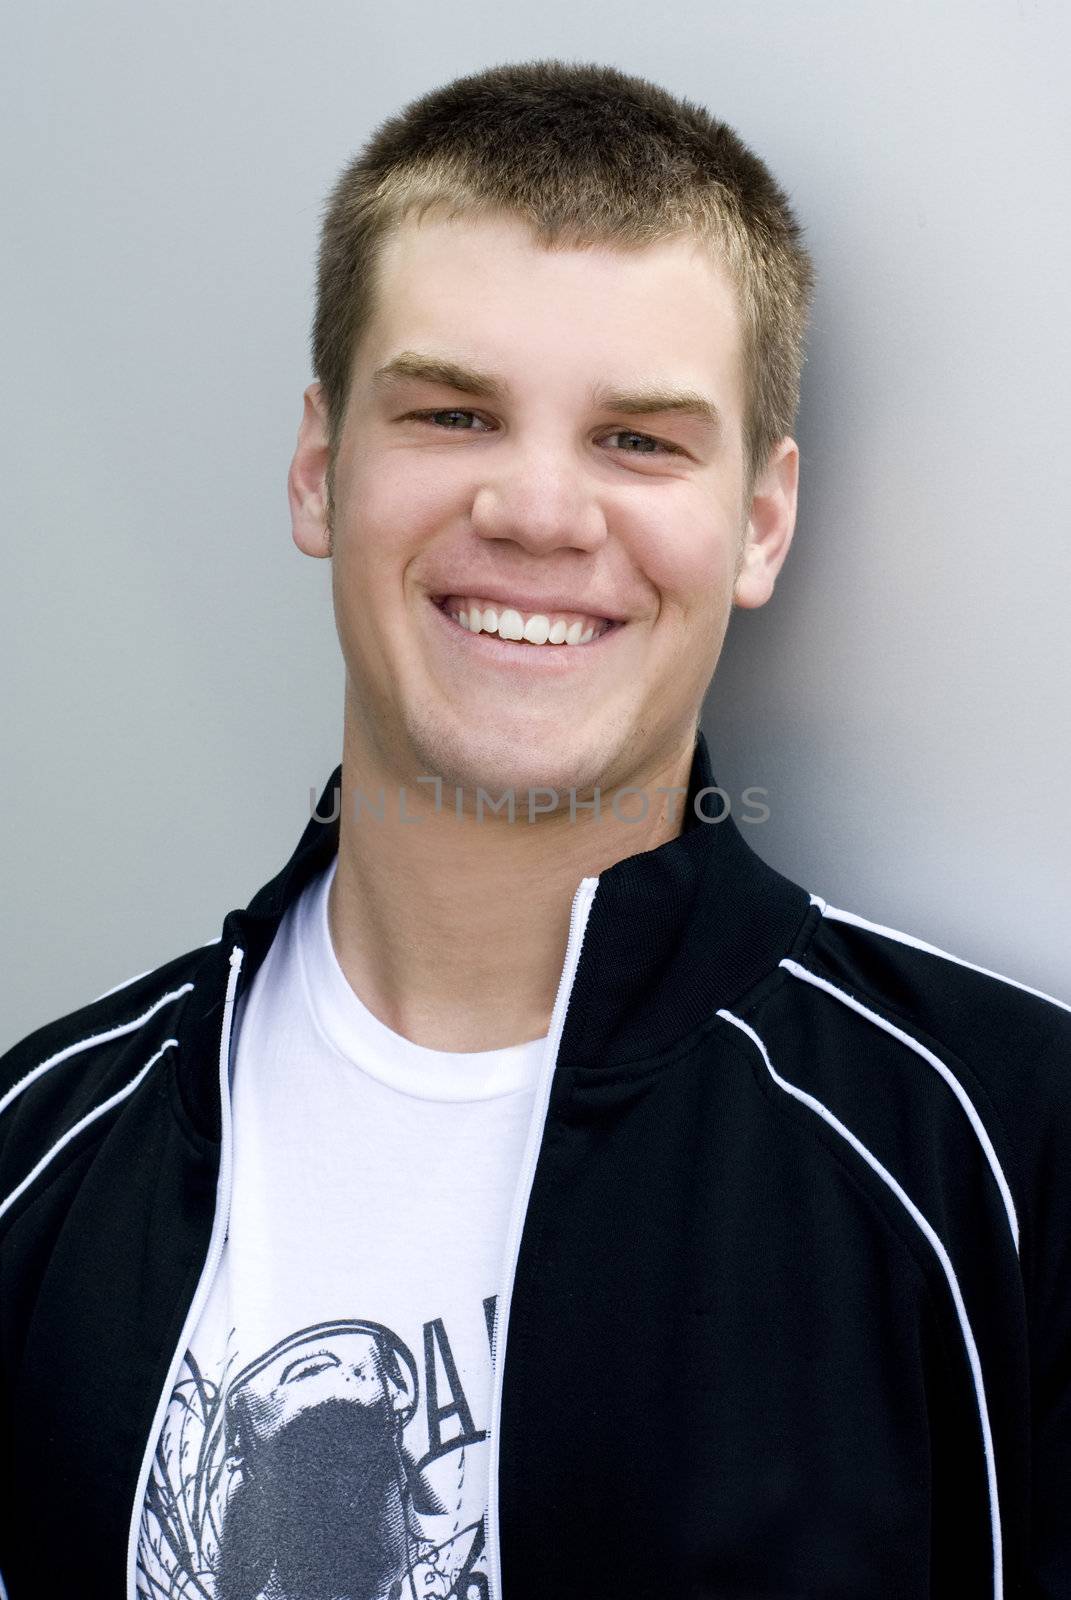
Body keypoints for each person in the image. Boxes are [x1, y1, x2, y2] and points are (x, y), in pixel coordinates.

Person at [0, 57, 1067, 1600]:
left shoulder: (1007, 1160)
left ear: (761, 521)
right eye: (451, 411)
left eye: (639, 440)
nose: (540, 512)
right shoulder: (38, 1157)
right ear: (320, 464)